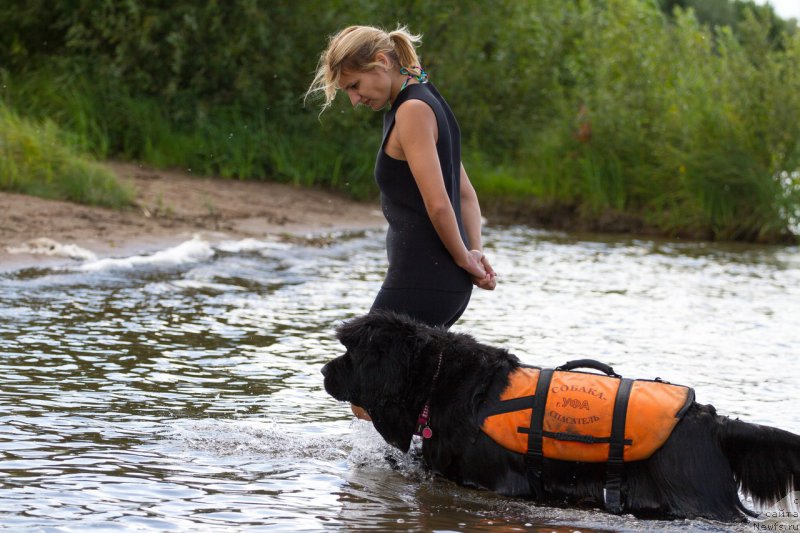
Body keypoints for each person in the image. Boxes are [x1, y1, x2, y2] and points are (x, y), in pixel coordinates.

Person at [307, 25, 496, 419]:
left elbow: (441, 204)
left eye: (355, 86)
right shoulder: (429, 100)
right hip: (442, 281)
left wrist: (465, 258)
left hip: (423, 279)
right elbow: (466, 194)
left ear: (381, 62)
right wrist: (473, 253)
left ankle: (388, 476)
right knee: (405, 391)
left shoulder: (411, 111)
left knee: (363, 392)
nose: (356, 100)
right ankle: (417, 474)